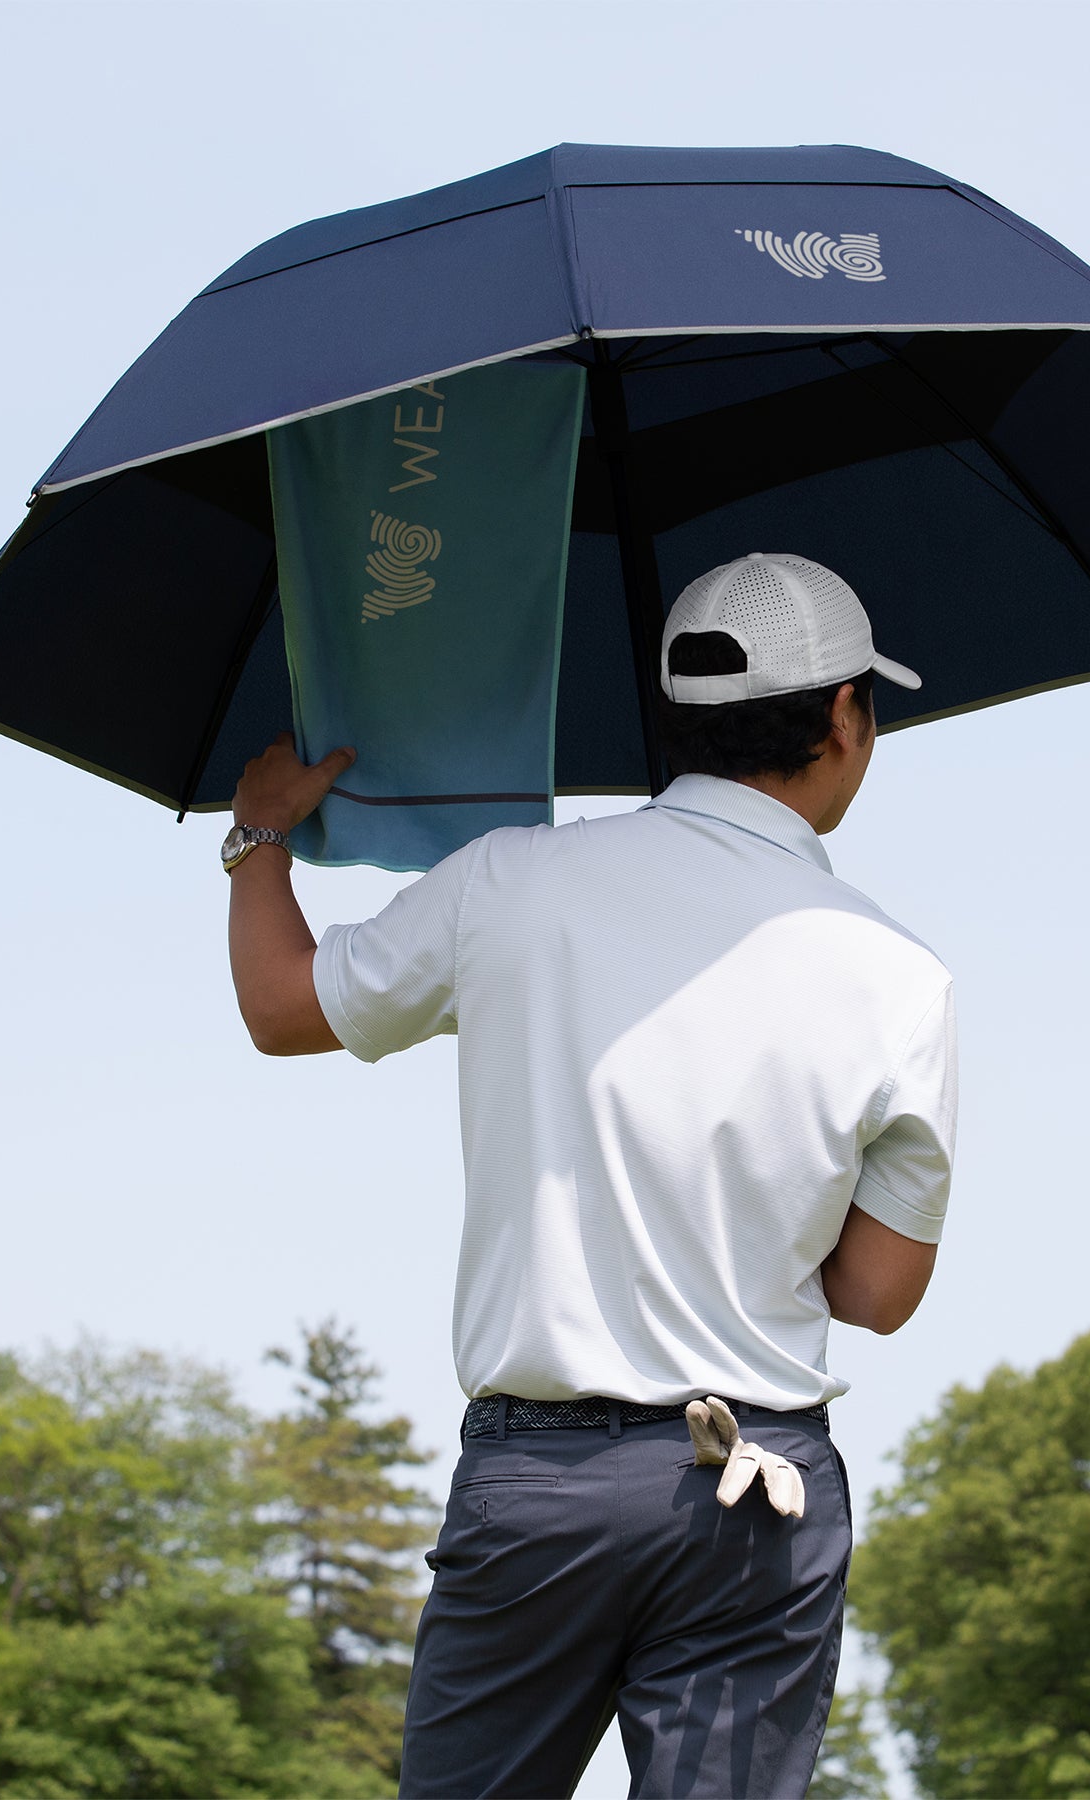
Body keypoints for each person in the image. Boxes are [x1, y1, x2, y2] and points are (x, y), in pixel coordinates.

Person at [224, 551, 957, 1799]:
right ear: (845, 716)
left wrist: (259, 839)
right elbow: (879, 1293)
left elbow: (284, 1008)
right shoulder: (900, 977)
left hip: (539, 1488)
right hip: (756, 1498)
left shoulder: (509, 880)